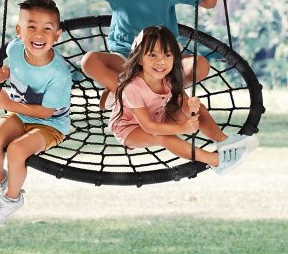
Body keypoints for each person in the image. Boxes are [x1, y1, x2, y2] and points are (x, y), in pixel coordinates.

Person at [42, 0, 245, 149]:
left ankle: (223, 141)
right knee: (90, 61)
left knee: (200, 65)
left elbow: (208, 0)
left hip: (162, 63)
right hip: (126, 62)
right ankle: (126, 95)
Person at [108, 26, 259, 175]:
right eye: (152, 55)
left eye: (167, 55)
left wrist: (191, 107)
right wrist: (183, 128)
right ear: (140, 59)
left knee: (197, 107)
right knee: (163, 136)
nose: (161, 62)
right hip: (129, 129)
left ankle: (223, 140)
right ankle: (216, 161)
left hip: (158, 117)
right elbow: (148, 127)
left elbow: (184, 104)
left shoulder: (169, 79)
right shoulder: (132, 88)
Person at [0, 0, 72, 225]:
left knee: (16, 150)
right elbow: (20, 70)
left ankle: (12, 198)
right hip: (20, 115)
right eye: (31, 27)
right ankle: (0, 183)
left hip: (50, 126)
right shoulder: (14, 48)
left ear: (57, 35)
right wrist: (7, 74)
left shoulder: (58, 74)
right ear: (19, 31)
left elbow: (47, 113)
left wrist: (8, 104)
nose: (38, 34)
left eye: (47, 29)